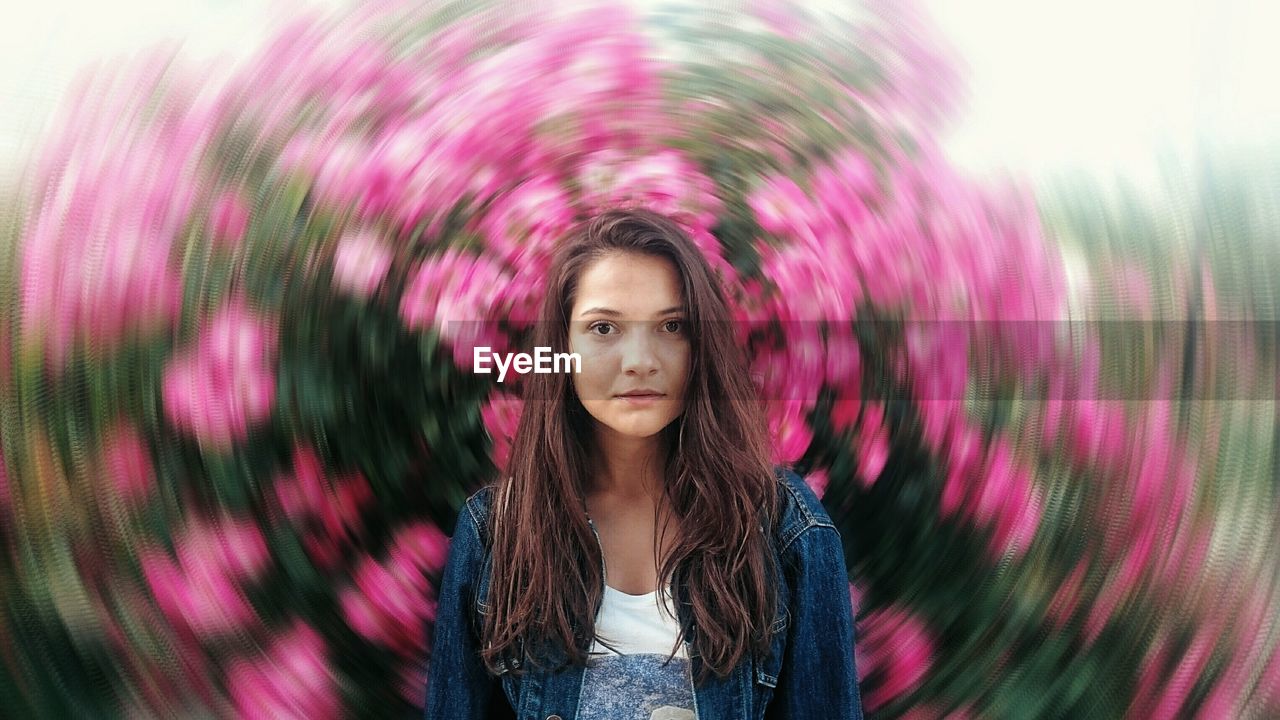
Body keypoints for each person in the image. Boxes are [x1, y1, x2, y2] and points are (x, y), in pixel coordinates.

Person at [425, 208, 863, 719]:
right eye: (604, 327)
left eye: (672, 325)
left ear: (703, 346)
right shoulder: (494, 534)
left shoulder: (787, 530)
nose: (640, 360)